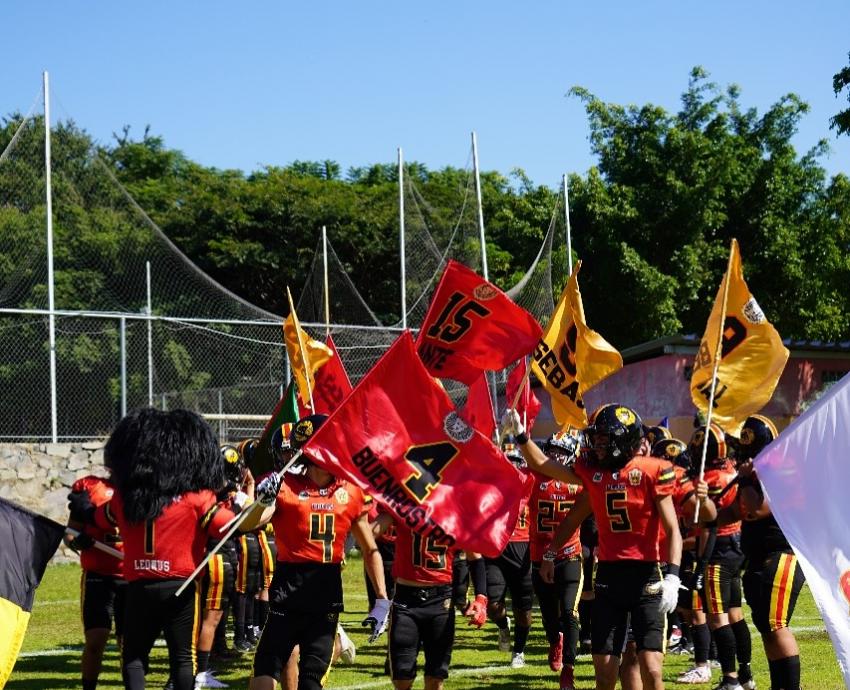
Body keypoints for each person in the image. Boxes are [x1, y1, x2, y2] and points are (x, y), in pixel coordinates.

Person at [503, 403, 682, 690]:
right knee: (605, 673)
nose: (596, 445)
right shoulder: (592, 474)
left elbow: (673, 528)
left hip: (646, 578)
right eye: (595, 439)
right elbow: (545, 468)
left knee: (650, 667)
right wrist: (521, 435)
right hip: (609, 578)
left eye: (603, 439)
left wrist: (673, 575)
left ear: (624, 439)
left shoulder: (652, 471)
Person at [68, 408, 238, 690]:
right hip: (180, 585)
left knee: (134, 657)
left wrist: (85, 511)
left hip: (139, 585)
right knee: (183, 659)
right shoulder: (196, 497)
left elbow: (100, 518)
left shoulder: (126, 499)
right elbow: (227, 526)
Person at [241, 414, 390, 690]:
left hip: (324, 599)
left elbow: (370, 550)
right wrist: (262, 502)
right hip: (287, 597)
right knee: (264, 676)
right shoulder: (285, 488)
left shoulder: (350, 492)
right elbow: (250, 524)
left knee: (311, 683)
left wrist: (382, 600)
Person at [720, 415, 804, 690]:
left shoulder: (780, 468)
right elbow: (736, 511)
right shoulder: (754, 471)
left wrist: (744, 480)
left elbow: (758, 509)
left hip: (781, 555)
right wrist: (701, 516)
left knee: (776, 624)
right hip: (757, 557)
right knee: (766, 627)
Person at [372, 513, 489, 690]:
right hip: (406, 599)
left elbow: (475, 556)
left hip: (440, 600)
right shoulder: (403, 502)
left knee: (435, 678)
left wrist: (481, 598)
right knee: (402, 679)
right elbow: (369, 533)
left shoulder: (454, 509)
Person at [691, 424, 754, 690]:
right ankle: (746, 675)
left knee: (718, 618)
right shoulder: (731, 472)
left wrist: (701, 562)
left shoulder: (708, 480)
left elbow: (708, 526)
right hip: (736, 546)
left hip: (718, 549)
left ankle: (730, 678)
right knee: (736, 614)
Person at [527, 432, 584, 690]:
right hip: (540, 557)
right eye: (552, 450)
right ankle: (554, 641)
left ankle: (569, 670)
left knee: (570, 611)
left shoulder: (579, 481)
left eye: (561, 451)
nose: (554, 456)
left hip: (570, 554)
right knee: (550, 616)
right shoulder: (533, 478)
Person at [193, 445, 253, 689]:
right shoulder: (224, 496)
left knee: (210, 617)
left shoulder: (206, 491)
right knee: (211, 618)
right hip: (218, 558)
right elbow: (249, 516)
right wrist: (248, 492)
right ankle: (200, 673)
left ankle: (199, 668)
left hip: (213, 557)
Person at [66, 472, 126, 690]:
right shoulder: (91, 487)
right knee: (95, 641)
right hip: (98, 575)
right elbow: (71, 533)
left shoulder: (146, 486)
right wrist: (78, 542)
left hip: (132, 577)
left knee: (128, 644)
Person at [485, 441, 534, 669]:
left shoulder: (530, 485)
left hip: (522, 548)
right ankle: (504, 627)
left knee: (523, 610)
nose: (511, 469)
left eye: (515, 464)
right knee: (493, 606)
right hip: (496, 548)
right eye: (507, 464)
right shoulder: (489, 488)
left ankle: (519, 651)